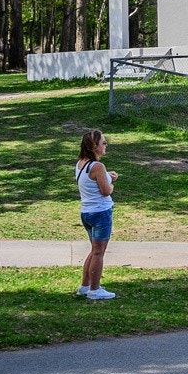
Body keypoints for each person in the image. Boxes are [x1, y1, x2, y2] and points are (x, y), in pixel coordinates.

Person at [75, 128, 118, 300]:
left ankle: (85, 286)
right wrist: (111, 184)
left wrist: (107, 176)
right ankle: (95, 289)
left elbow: (91, 179)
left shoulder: (81, 164)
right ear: (94, 146)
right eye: (103, 143)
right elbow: (106, 191)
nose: (105, 145)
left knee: (94, 251)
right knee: (99, 252)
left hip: (86, 212)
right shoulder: (98, 166)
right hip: (101, 213)